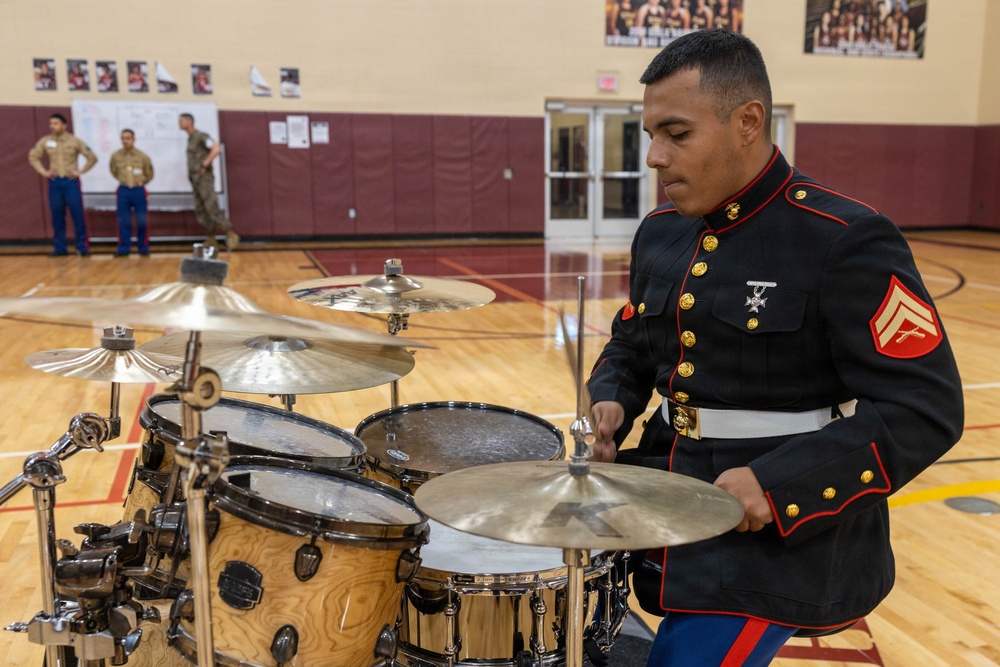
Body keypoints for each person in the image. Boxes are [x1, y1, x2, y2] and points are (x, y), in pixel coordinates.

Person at [586, 30, 963, 666]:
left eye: (676, 135)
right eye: (649, 134)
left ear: (748, 122)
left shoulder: (843, 239)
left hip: (776, 543)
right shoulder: (660, 234)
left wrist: (780, 484)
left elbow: (924, 408)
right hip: (666, 498)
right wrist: (611, 397)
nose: (654, 156)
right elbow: (634, 340)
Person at [27, 113, 98, 256]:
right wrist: (43, 172)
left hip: (70, 181)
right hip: (55, 182)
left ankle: (82, 247)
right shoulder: (46, 141)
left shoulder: (74, 141)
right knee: (57, 216)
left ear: (64, 125)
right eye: (51, 123)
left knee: (77, 215)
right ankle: (60, 248)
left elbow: (92, 157)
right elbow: (33, 156)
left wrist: (81, 171)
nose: (52, 126)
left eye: (55, 123)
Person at [178, 113, 239, 250]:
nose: (179, 123)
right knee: (200, 209)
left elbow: (216, 149)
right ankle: (211, 238)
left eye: (181, 121)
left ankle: (230, 234)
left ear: (190, 121)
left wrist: (205, 164)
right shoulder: (190, 139)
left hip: (204, 179)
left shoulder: (201, 136)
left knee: (211, 206)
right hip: (195, 179)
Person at [109, 129, 154, 256]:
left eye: (128, 138)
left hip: (138, 190)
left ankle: (143, 247)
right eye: (123, 138)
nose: (125, 141)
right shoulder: (116, 156)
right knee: (123, 220)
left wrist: (140, 182)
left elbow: (149, 173)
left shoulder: (143, 156)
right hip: (123, 189)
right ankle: (124, 248)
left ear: (134, 139)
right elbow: (113, 171)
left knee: (142, 219)